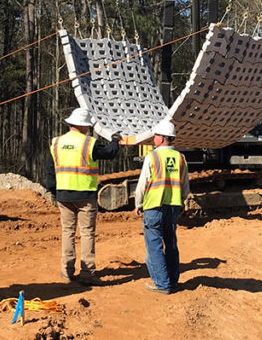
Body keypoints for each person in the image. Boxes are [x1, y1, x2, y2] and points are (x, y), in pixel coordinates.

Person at [44, 107, 121, 285]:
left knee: (67, 232)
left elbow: (49, 169)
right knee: (87, 233)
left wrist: (54, 191)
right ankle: (87, 274)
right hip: (85, 195)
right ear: (84, 126)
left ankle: (67, 271)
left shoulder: (56, 142)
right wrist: (115, 140)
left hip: (63, 195)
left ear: (71, 124)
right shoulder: (89, 143)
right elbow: (110, 153)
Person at [134, 120, 190, 295]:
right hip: (173, 206)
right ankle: (172, 281)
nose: (154, 138)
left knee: (154, 244)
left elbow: (143, 183)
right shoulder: (181, 157)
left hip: (154, 206)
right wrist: (181, 201)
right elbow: (185, 185)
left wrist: (138, 203)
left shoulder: (152, 157)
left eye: (156, 135)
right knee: (171, 243)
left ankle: (161, 284)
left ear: (162, 138)